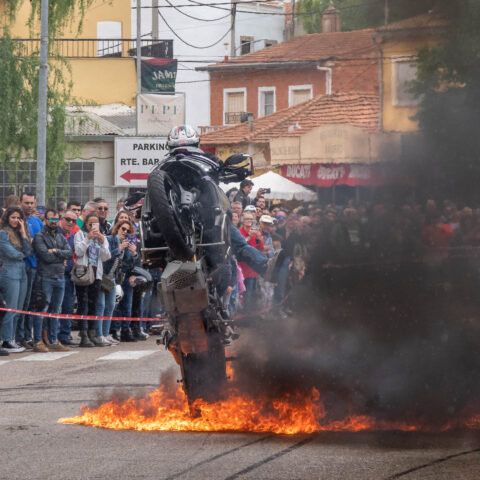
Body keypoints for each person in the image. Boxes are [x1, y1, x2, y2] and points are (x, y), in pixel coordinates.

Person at [32, 209, 73, 352]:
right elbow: (45, 256)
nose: (54, 222)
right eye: (51, 219)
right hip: (46, 277)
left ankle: (54, 339)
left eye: (56, 219)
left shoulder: (61, 236)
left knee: (56, 310)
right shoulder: (39, 236)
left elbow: (69, 253)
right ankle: (37, 340)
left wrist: (55, 251)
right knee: (42, 310)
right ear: (45, 219)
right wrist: (59, 255)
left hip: (60, 277)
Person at [96, 219, 137, 345]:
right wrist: (119, 248)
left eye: (128, 231)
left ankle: (106, 333)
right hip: (102, 275)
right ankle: (99, 335)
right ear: (117, 228)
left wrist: (133, 253)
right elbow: (105, 257)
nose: (125, 232)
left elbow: (128, 265)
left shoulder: (127, 244)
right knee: (101, 306)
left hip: (112, 278)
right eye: (123, 229)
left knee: (110, 306)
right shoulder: (109, 239)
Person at [74, 212, 111, 347]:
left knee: (93, 305)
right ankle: (83, 334)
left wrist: (101, 242)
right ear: (86, 224)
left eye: (96, 224)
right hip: (83, 272)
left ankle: (92, 332)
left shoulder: (102, 237)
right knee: (83, 304)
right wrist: (88, 238)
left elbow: (106, 256)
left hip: (96, 273)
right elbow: (78, 252)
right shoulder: (80, 234)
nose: (93, 227)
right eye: (90, 224)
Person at [0, 207, 32, 353]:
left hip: (21, 271)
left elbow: (28, 251)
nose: (15, 220)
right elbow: (13, 254)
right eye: (13, 217)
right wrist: (22, 253)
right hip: (9, 271)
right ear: (7, 218)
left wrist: (24, 234)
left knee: (18, 308)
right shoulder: (3, 233)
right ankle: (6, 339)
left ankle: (12, 338)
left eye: (18, 218)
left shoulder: (19, 234)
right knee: (10, 308)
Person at [15, 192, 43, 350]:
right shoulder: (17, 221)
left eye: (32, 203)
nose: (30, 206)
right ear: (20, 203)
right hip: (22, 267)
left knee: (32, 304)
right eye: (26, 203)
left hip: (35, 267)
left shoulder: (37, 221)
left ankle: (27, 335)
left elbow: (39, 244)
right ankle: (19, 337)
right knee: (22, 304)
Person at [57, 209, 78, 346]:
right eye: (68, 219)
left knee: (68, 307)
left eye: (73, 221)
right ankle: (54, 336)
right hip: (56, 275)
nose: (70, 223)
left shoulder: (72, 236)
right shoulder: (54, 234)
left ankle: (65, 335)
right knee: (56, 308)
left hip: (70, 276)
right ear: (61, 219)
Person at [238, 211, 264, 311]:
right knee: (244, 293)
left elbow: (260, 247)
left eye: (251, 219)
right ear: (242, 221)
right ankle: (245, 314)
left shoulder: (255, 232)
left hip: (253, 268)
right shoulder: (239, 232)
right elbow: (241, 246)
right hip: (243, 268)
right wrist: (249, 237)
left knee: (252, 293)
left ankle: (250, 313)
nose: (249, 221)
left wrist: (257, 237)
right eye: (247, 219)